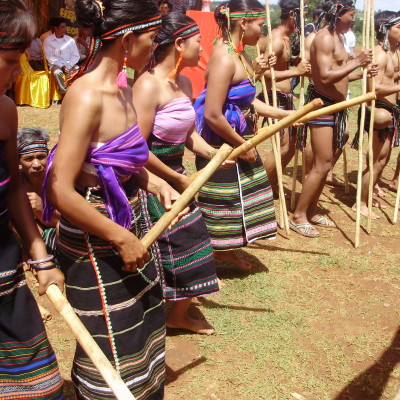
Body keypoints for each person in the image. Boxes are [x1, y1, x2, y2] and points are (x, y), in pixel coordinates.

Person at [42, 0, 185, 397]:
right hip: (94, 232)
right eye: (151, 38)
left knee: (144, 316)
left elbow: (122, 155)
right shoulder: (86, 96)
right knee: (111, 335)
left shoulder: (122, 88)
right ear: (126, 39)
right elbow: (59, 188)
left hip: (128, 217)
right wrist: (120, 237)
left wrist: (155, 183)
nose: (155, 47)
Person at [133, 12, 228, 335]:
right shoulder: (147, 86)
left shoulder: (185, 83)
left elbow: (188, 135)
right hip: (151, 179)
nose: (201, 50)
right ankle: (159, 313)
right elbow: (139, 150)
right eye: (197, 42)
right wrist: (173, 180)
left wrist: (212, 153)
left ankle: (176, 313)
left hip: (177, 176)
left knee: (193, 239)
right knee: (170, 243)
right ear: (179, 44)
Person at [194, 0, 293, 270]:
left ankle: (225, 250)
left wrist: (284, 115)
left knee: (242, 194)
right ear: (243, 22)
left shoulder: (242, 56)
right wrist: (242, 144)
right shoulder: (224, 57)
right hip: (220, 140)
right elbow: (213, 113)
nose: (262, 31)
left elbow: (247, 101)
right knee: (221, 199)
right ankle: (209, 254)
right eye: (260, 24)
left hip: (239, 135)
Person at [0, 1, 64, 398]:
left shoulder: (6, 111)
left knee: (36, 384)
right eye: (9, 60)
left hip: (4, 266)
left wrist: (40, 257)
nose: (19, 72)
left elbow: (12, 189)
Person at [290, 0, 376, 237]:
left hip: (336, 106)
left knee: (325, 164)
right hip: (322, 105)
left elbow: (341, 76)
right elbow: (326, 77)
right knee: (322, 164)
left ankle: (312, 209)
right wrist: (357, 62)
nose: (354, 19)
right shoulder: (325, 38)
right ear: (338, 14)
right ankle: (298, 216)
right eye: (351, 14)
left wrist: (362, 72)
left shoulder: (338, 37)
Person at [259, 0, 311, 194]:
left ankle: (270, 181)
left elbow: (281, 67)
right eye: (303, 16)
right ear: (292, 15)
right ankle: (260, 187)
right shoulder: (277, 40)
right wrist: (295, 71)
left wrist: (296, 65)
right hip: (275, 96)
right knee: (282, 146)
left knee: (290, 146)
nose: (304, 20)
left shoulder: (288, 38)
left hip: (285, 96)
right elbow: (263, 73)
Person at [351, 12, 400, 219]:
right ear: (385, 29)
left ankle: (367, 193)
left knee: (381, 160)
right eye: (399, 27)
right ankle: (359, 203)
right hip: (378, 109)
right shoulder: (380, 54)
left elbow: (392, 77)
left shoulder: (394, 53)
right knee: (375, 161)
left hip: (390, 110)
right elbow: (373, 88)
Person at [17, 127, 59, 256]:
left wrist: (43, 209)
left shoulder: (58, 179)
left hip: (60, 235)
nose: (36, 164)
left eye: (41, 157)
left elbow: (71, 221)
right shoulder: (15, 184)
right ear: (18, 160)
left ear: (48, 154)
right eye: (28, 159)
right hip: (32, 239)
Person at [43, 17, 80, 95]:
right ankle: (65, 92)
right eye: (62, 27)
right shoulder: (48, 40)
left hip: (69, 64)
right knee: (57, 72)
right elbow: (49, 57)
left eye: (65, 26)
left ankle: (77, 92)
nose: (64, 29)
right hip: (56, 64)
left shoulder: (70, 40)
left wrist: (69, 65)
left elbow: (76, 56)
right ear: (55, 28)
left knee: (77, 69)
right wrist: (62, 66)